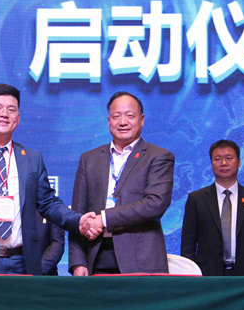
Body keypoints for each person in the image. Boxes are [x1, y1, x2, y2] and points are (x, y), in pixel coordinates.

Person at [0, 83, 98, 275]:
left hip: (23, 263)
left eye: (11, 109)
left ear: (18, 118)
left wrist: (78, 220)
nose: (4, 114)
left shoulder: (31, 158)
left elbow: (48, 203)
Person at [69, 91, 174, 275]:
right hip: (96, 257)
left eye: (130, 116)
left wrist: (104, 219)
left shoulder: (159, 157)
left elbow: (155, 204)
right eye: (116, 116)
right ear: (108, 120)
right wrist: (78, 262)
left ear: (142, 119)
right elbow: (78, 214)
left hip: (141, 262)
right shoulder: (89, 159)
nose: (123, 122)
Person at [180, 139, 244, 276]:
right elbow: (188, 244)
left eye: (229, 158)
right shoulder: (197, 199)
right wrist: (189, 277)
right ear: (211, 164)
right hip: (207, 275)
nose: (224, 163)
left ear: (239, 162)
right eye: (217, 159)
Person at [37, 211, 65, 276]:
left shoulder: (52, 209)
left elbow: (57, 242)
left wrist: (41, 269)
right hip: (15, 269)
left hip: (45, 273)